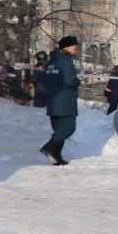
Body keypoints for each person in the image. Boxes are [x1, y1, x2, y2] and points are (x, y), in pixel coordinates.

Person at [37, 36, 81, 166]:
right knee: (68, 129)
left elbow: (43, 83)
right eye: (74, 46)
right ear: (67, 47)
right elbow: (70, 81)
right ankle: (48, 148)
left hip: (52, 102)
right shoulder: (66, 62)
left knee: (58, 131)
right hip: (65, 102)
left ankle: (56, 156)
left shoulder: (50, 62)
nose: (76, 49)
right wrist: (77, 81)